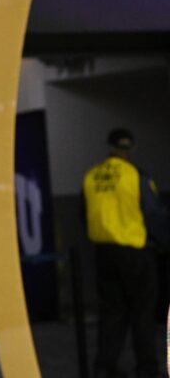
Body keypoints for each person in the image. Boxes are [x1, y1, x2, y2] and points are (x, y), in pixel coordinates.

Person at [84, 128, 170, 378]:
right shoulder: (135, 175)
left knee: (112, 312)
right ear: (128, 149)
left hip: (104, 253)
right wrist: (164, 243)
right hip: (135, 253)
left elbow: (83, 214)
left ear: (109, 147)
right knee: (142, 312)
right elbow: (154, 215)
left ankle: (104, 365)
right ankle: (146, 368)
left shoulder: (92, 176)